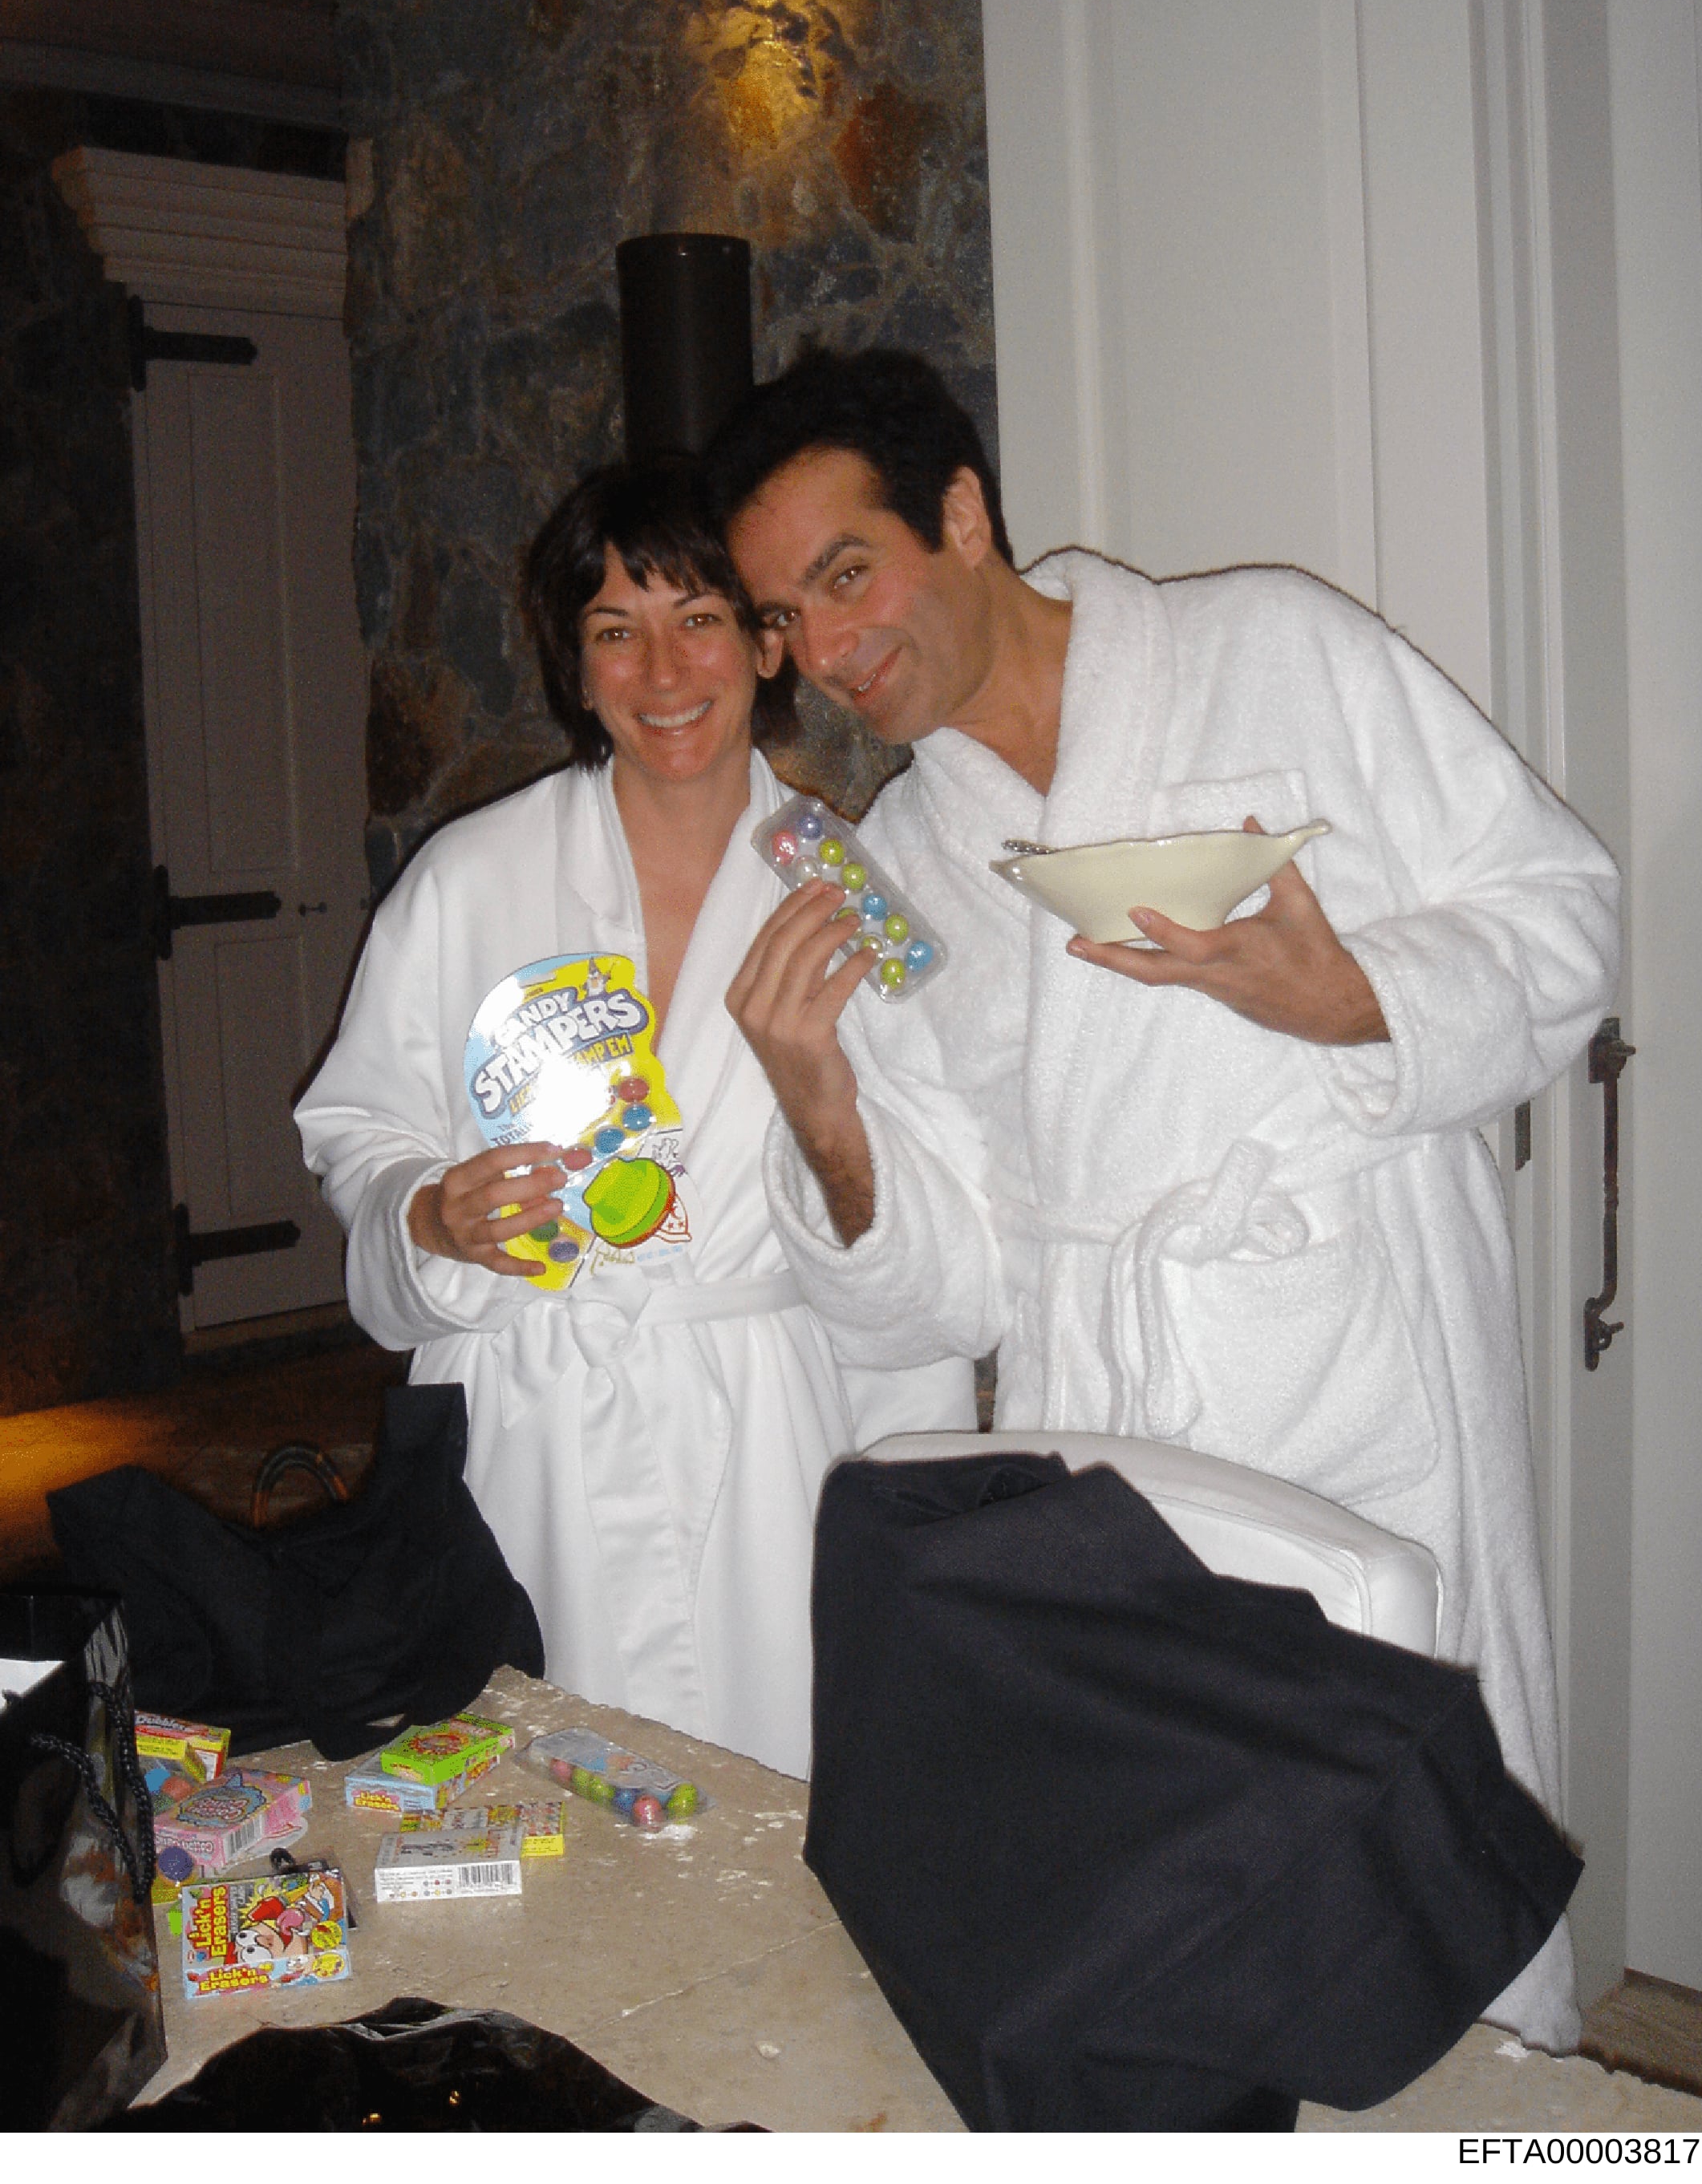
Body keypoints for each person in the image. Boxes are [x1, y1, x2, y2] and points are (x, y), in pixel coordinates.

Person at [707, 348, 1620, 2047]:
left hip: (1352, 1369)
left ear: (962, 514)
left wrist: (1347, 996)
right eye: (784, 615)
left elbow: (1563, 912)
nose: (827, 651)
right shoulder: (907, 861)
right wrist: (821, 1105)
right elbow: (948, 1287)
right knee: (1168, 1921)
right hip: (1114, 1437)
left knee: (1415, 1899)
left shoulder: (1268, 649)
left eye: (848, 573)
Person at [295, 459, 975, 1779]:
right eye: (616, 629)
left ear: (763, 643)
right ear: (577, 658)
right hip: (531, 1430)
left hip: (766, 1435)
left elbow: (921, 1225)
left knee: (776, 1794)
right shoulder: (469, 879)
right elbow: (358, 1129)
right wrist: (429, 1212)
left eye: (700, 619)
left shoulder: (848, 894)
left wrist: (914, 1506)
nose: (662, 672)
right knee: (538, 1799)